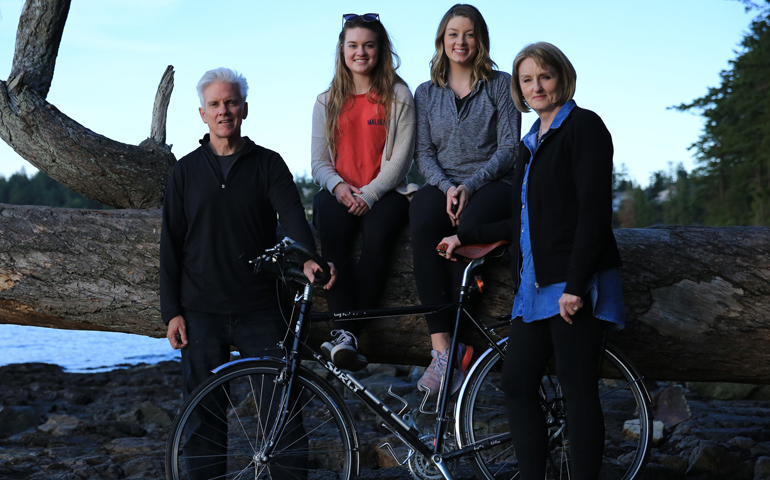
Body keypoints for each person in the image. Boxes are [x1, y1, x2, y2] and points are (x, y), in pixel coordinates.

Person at [439, 42, 625, 480]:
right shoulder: (528, 144)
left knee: (577, 389)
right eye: (526, 80)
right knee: (516, 383)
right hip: (535, 286)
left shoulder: (585, 127)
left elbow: (594, 214)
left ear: (561, 76)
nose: (536, 86)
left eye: (544, 76)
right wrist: (462, 236)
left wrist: (577, 285)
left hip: (573, 282)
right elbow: (520, 219)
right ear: (519, 89)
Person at [160, 67, 334, 480]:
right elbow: (170, 244)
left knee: (282, 411)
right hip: (201, 310)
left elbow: (293, 218)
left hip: (262, 307)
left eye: (231, 102)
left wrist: (308, 257)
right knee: (203, 417)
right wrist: (172, 312)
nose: (224, 110)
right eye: (216, 104)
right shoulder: (184, 172)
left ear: (245, 109)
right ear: (202, 114)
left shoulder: (268, 164)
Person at [410, 3, 520, 395]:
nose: (461, 41)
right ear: (442, 39)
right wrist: (446, 187)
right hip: (442, 185)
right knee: (422, 221)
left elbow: (508, 149)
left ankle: (460, 347)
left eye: (469, 34)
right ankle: (443, 350)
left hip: (492, 184)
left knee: (470, 228)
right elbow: (423, 153)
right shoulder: (426, 92)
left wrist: (470, 186)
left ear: (481, 40)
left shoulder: (501, 85)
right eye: (453, 34)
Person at [312, 13, 417, 371]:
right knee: (333, 238)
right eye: (353, 45)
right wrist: (340, 188)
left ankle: (347, 334)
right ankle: (346, 335)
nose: (361, 52)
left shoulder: (399, 95)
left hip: (386, 194)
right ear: (342, 50)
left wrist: (369, 195)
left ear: (381, 50)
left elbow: (401, 160)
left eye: (368, 45)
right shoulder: (326, 101)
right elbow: (318, 163)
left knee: (376, 239)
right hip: (340, 193)